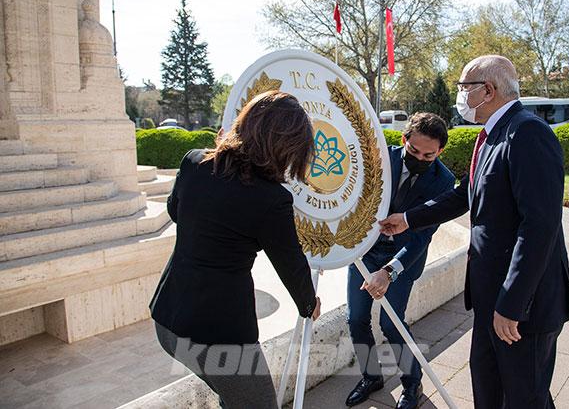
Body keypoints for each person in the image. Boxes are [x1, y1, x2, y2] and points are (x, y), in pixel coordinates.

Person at [379, 55, 569, 409]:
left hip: (522, 308)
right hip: (490, 299)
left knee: (525, 399)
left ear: (487, 90)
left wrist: (512, 303)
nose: (459, 95)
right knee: (488, 389)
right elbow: (464, 195)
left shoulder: (528, 133)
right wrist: (408, 218)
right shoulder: (490, 135)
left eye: (463, 87)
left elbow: (539, 226)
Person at [149, 90, 322, 409]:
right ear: (286, 148)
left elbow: (176, 212)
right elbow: (290, 263)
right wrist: (308, 303)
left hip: (167, 319)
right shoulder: (271, 199)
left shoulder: (194, 161)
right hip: (218, 336)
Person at [345, 113, 455, 409]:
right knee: (356, 319)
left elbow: (423, 236)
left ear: (440, 151)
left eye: (428, 156)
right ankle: (371, 377)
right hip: (365, 252)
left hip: (404, 259)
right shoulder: (380, 160)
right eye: (413, 150)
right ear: (404, 139)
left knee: (391, 324)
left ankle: (412, 385)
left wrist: (389, 271)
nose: (419, 158)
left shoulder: (444, 181)